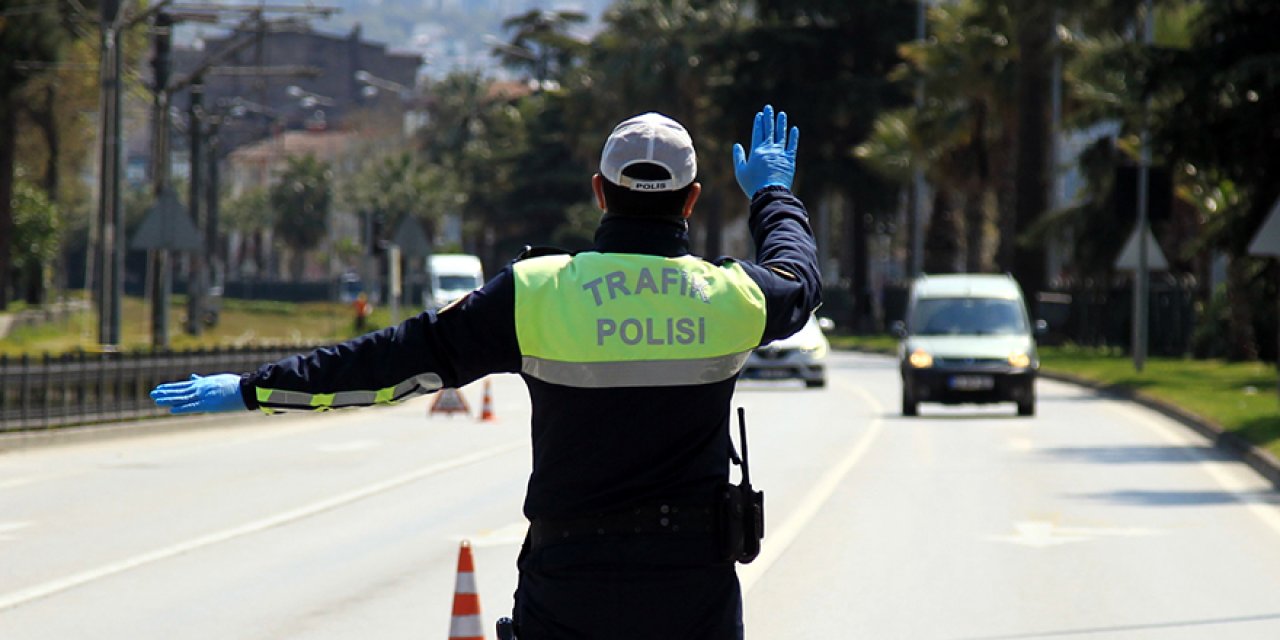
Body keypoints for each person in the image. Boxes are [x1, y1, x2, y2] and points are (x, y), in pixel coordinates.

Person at [150, 105, 820, 639]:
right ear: (693, 200)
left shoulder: (536, 291)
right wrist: (772, 196)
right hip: (690, 587)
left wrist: (255, 388)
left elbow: (390, 360)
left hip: (570, 585)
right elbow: (798, 274)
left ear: (599, 192)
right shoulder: (734, 297)